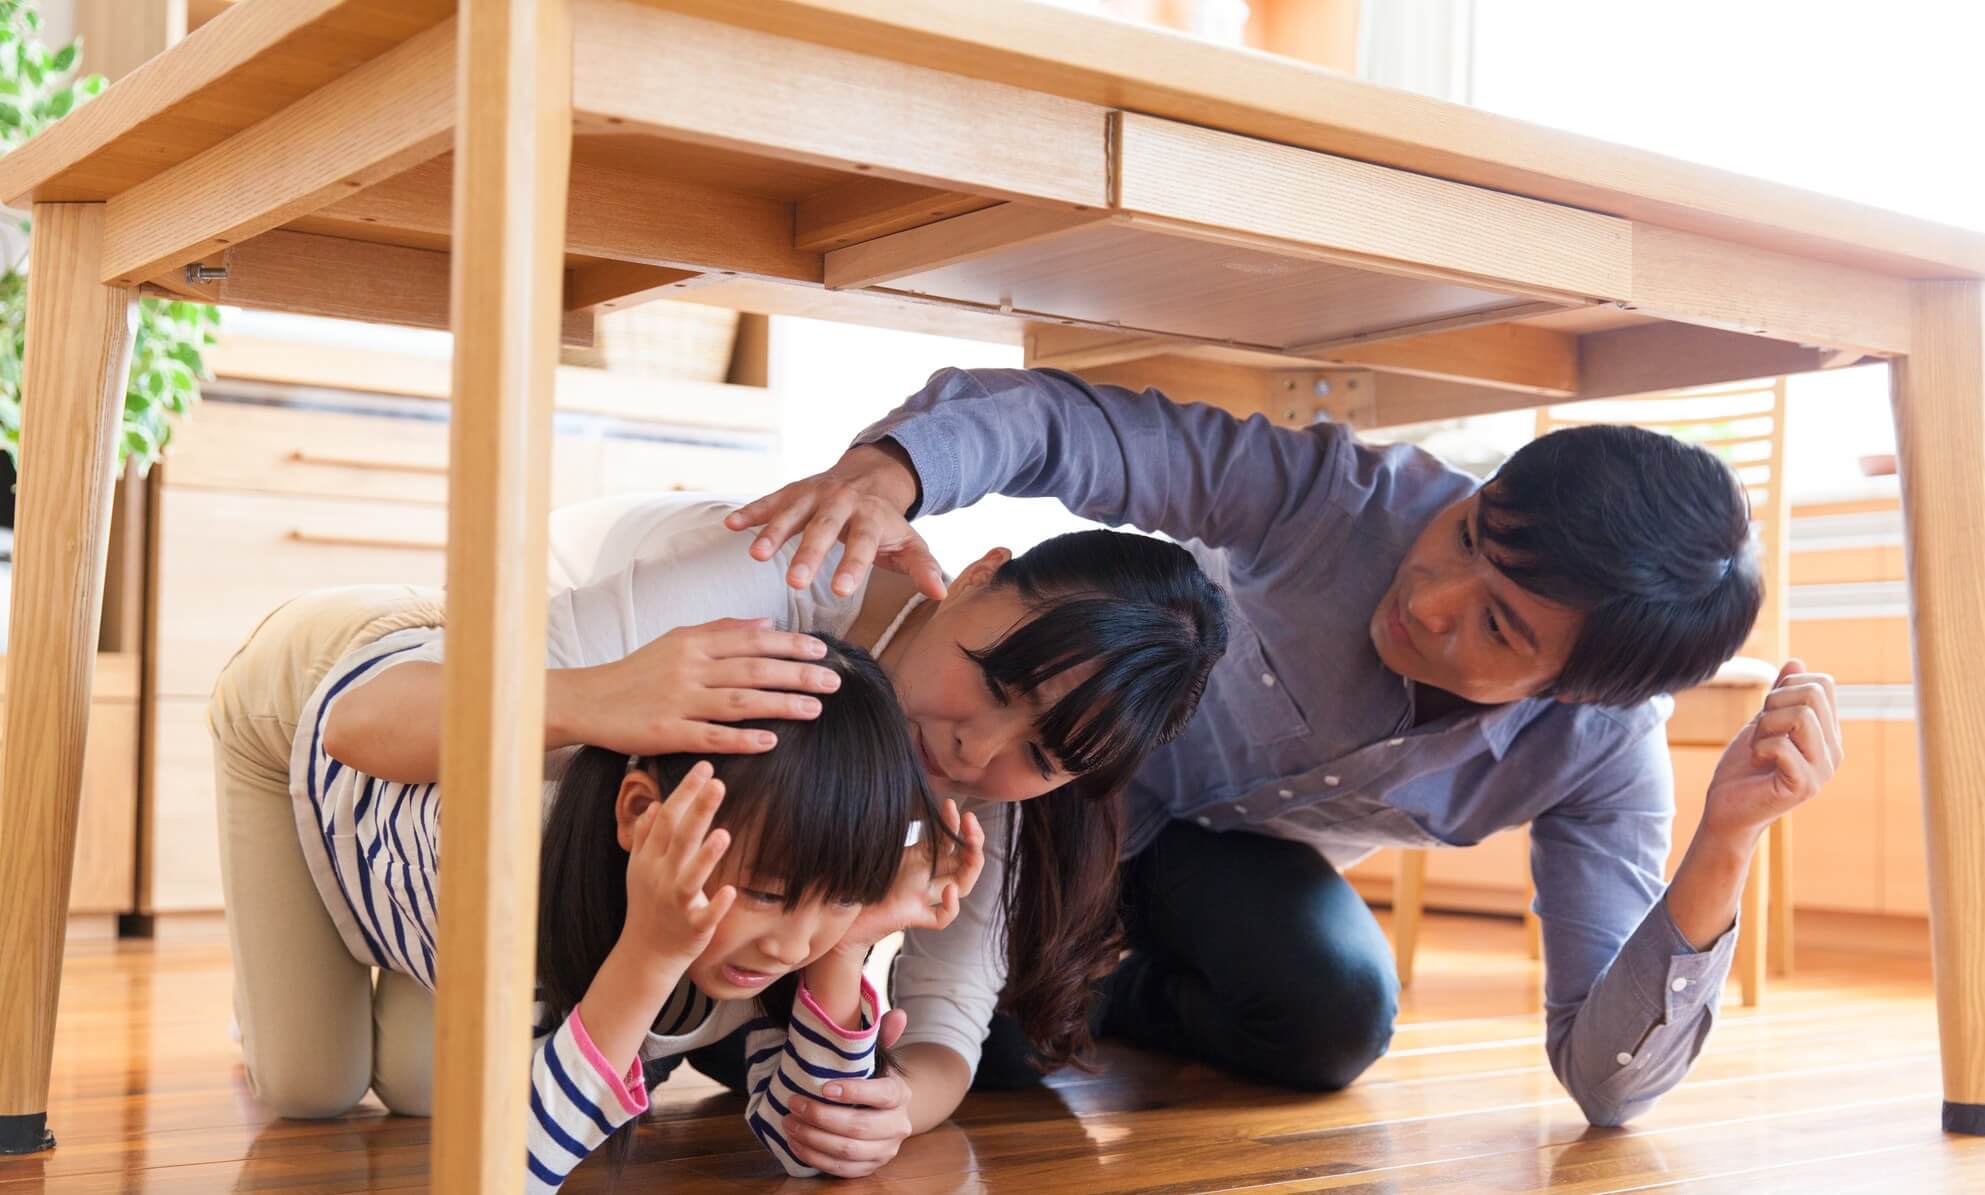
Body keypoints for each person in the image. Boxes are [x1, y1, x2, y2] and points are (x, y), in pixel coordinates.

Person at [723, 366, 1843, 1131]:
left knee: (1334, 1019)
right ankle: (1038, 996)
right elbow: (1074, 424)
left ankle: (1083, 993)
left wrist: (1726, 838)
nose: (1431, 594)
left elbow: (1607, 1085)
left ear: (1574, 696)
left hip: (1221, 864)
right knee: (989, 1058)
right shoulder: (1340, 497)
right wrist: (893, 472)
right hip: (1064, 781)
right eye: (1464, 534)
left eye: (1498, 625)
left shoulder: (1600, 759)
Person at [212, 494, 1229, 1177]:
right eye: (998, 683)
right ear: (974, 577)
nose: (975, 747)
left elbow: (945, 1013)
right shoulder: (760, 597)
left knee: (445, 1082)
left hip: (508, 888)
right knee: (314, 1086)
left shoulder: (984, 798)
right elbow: (353, 726)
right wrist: (597, 697)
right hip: (345, 698)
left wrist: (898, 1104)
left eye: (1042, 756)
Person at [211, 597, 979, 1189]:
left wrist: (844, 949)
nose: (791, 943)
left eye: (842, 896)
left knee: (423, 1086)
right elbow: (501, 1174)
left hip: (448, 893)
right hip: (328, 705)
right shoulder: (499, 864)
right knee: (314, 1084)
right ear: (642, 813)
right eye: (771, 893)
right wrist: (648, 953)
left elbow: (805, 1144)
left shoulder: (761, 926)